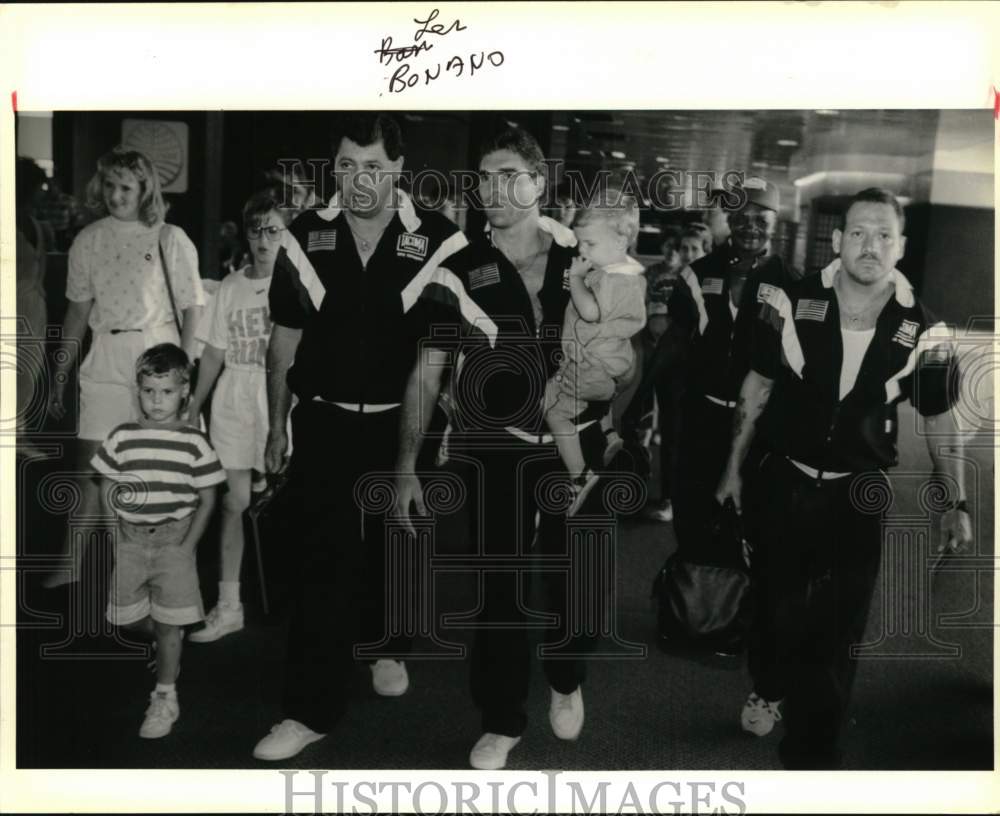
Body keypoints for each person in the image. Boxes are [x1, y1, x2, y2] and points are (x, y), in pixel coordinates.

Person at [715, 187, 973, 769]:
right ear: (837, 240)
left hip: (858, 493)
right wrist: (732, 468)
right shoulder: (790, 301)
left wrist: (956, 499)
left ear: (901, 247)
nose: (871, 245)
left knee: (837, 628)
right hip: (782, 479)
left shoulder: (924, 329)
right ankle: (770, 682)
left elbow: (940, 418)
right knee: (777, 607)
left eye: (884, 234)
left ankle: (813, 752)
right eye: (858, 232)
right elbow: (757, 387)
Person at [250, 114, 467, 762]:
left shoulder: (437, 241)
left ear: (399, 167)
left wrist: (406, 462)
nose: (358, 180)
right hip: (326, 422)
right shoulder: (304, 236)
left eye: (372, 166)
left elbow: (433, 360)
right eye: (346, 166)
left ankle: (389, 643)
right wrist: (274, 426)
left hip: (404, 419)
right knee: (324, 561)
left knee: (391, 550)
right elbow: (282, 340)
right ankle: (308, 709)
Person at [395, 127, 607, 771]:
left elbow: (626, 339)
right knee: (501, 586)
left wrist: (615, 411)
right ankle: (501, 718)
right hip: (495, 447)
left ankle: (566, 676)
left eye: (510, 173)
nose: (495, 188)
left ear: (538, 183)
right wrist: (406, 464)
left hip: (578, 438)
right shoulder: (456, 268)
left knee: (579, 579)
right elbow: (427, 372)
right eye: (485, 177)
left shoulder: (582, 253)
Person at [45, 147, 204, 588]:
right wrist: (58, 377)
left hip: (155, 359)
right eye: (110, 186)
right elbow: (76, 315)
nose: (117, 196)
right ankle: (70, 563)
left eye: (126, 187)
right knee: (91, 470)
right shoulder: (88, 240)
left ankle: (142, 574)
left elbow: (193, 308)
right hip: (104, 357)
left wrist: (184, 373)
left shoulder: (170, 237)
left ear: (144, 190)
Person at [90, 343, 225, 738]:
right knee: (126, 618)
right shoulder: (123, 436)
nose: (156, 400)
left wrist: (187, 546)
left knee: (168, 626)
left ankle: (165, 695)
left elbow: (209, 497)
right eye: (149, 390)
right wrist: (112, 531)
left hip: (173, 539)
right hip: (130, 538)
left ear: (185, 390)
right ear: (138, 390)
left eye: (166, 391)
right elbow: (106, 486)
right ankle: (170, 636)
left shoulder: (194, 442)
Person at [665, 177, 796, 565]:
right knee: (690, 511)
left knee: (748, 520)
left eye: (760, 217)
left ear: (776, 220)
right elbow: (674, 342)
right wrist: (642, 404)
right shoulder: (696, 274)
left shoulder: (793, 283)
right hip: (700, 417)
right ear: (729, 217)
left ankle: (735, 614)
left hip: (760, 427)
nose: (749, 225)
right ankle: (690, 608)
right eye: (740, 215)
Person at [186, 191, 283, 642]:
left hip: (279, 397)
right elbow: (213, 355)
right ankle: (229, 605)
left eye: (273, 230)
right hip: (233, 396)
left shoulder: (298, 283)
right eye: (255, 230)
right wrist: (192, 406)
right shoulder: (230, 287)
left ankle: (300, 603)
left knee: (290, 503)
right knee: (233, 501)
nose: (263, 240)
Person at [544, 192, 646, 514]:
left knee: (555, 413)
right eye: (579, 242)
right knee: (585, 400)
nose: (581, 250)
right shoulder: (628, 275)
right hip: (608, 367)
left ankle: (580, 476)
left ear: (620, 241)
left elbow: (589, 312)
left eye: (589, 244)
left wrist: (575, 277)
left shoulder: (611, 280)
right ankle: (609, 431)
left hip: (591, 367)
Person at [15, 157, 50, 455]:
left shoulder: (40, 227)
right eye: (39, 186)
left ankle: (18, 435)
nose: (43, 192)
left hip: (33, 308)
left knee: (27, 372)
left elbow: (43, 269)